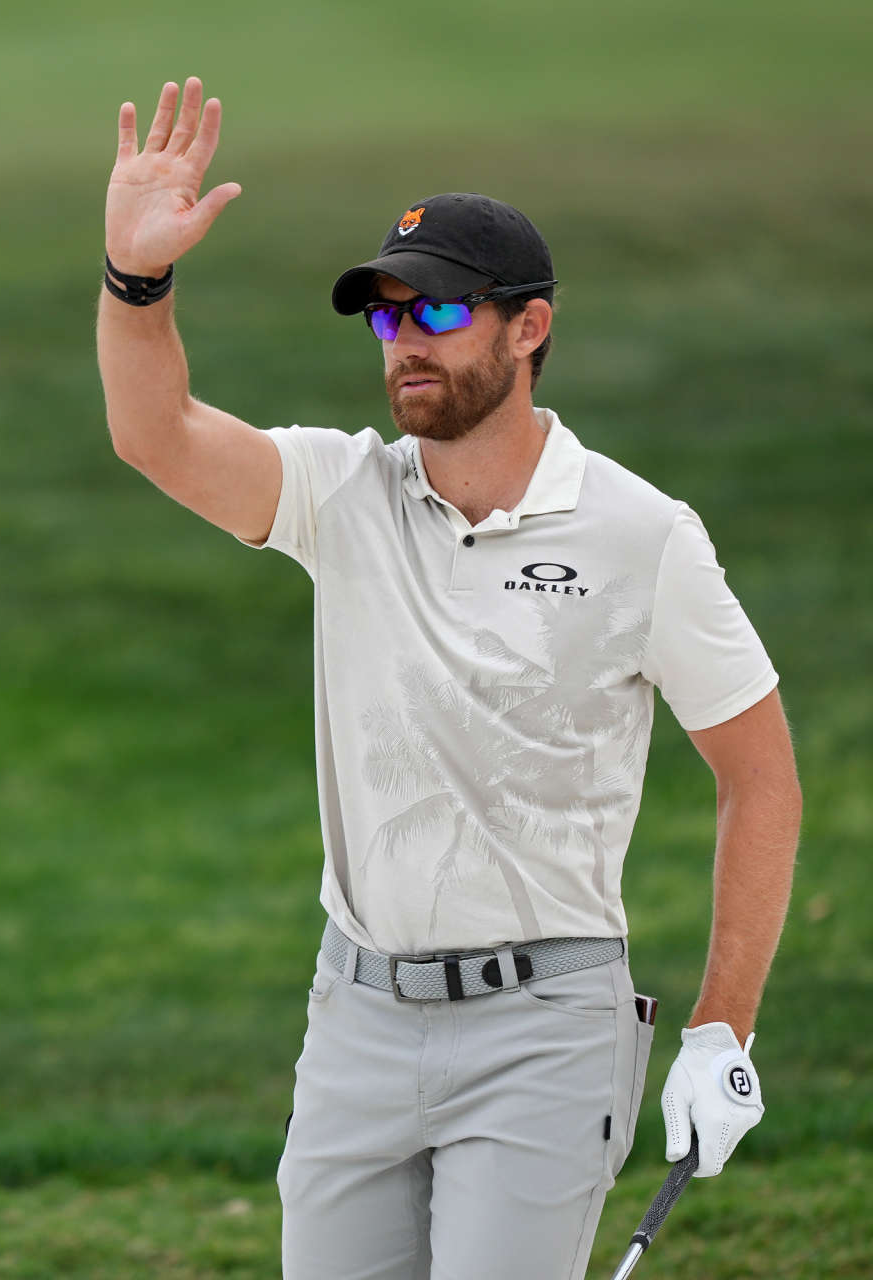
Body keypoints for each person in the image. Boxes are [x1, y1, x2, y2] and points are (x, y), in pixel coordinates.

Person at [94, 77, 803, 1278]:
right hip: (357, 1020)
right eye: (385, 320)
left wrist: (721, 1026)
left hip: (546, 1029)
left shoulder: (642, 535)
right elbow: (153, 435)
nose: (404, 343)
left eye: (435, 314)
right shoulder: (343, 493)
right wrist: (134, 279)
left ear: (527, 327)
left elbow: (762, 776)